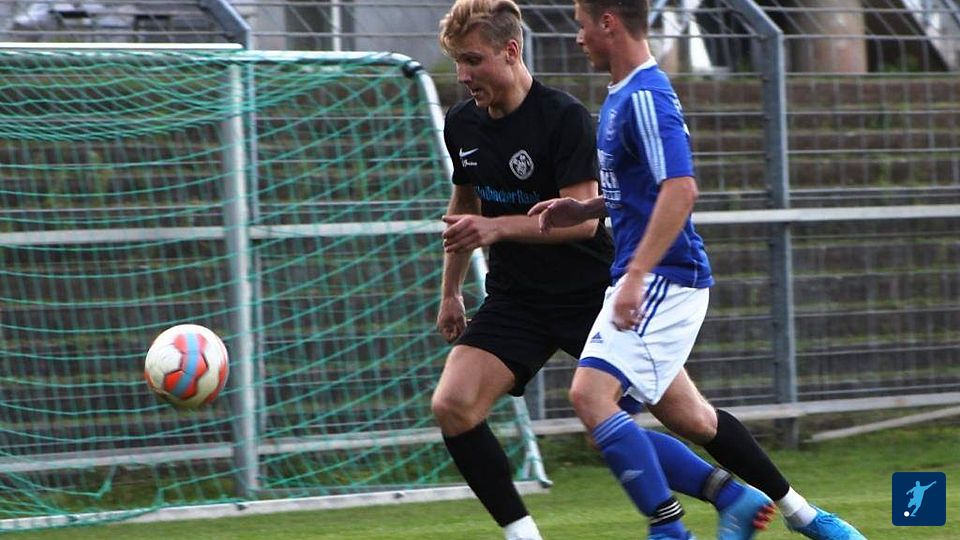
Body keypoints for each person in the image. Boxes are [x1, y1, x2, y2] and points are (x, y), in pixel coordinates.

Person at [433, 0, 775, 539]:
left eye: (472, 60)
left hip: (590, 292)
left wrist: (498, 230)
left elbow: (583, 223)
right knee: (453, 405)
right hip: (516, 299)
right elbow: (465, 210)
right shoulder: (461, 123)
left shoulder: (564, 116)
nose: (462, 74)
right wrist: (451, 291)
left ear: (511, 51)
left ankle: (780, 506)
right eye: (457, 61)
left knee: (686, 419)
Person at [528, 1, 868, 539]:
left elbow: (681, 189)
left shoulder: (645, 96)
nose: (578, 37)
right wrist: (586, 209)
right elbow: (641, 189)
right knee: (684, 421)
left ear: (609, 22)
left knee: (590, 399)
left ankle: (671, 530)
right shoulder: (622, 95)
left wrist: (635, 277)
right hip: (651, 277)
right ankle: (804, 517)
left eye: (582, 24)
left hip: (663, 278)